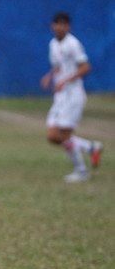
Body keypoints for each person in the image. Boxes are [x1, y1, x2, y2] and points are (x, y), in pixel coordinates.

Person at [40, 12, 103, 183]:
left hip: (73, 95)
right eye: (57, 24)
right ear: (52, 26)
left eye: (64, 24)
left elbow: (85, 67)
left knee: (63, 134)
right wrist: (49, 76)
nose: (60, 27)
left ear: (69, 27)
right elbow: (58, 66)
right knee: (53, 135)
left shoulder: (73, 44)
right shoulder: (53, 44)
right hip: (60, 97)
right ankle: (90, 147)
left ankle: (82, 171)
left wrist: (65, 81)